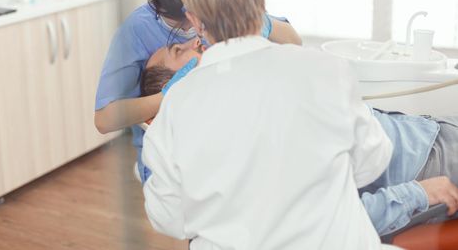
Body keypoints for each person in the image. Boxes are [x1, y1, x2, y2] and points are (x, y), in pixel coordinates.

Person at [142, 0, 396, 249]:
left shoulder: (176, 106)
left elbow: (168, 217)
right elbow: (373, 161)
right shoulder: (326, 69)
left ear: (194, 20)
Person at [140, 38, 458, 236]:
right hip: (430, 164)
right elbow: (332, 222)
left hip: (427, 134)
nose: (195, 42)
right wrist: (417, 194)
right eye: (179, 50)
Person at [94, 0, 301, 182]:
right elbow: (104, 119)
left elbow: (293, 42)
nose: (194, 34)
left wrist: (260, 21)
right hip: (171, 149)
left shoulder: (216, 11)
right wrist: (168, 96)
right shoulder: (136, 31)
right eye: (179, 26)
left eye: (197, 21)